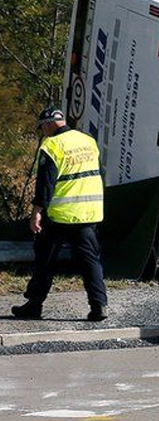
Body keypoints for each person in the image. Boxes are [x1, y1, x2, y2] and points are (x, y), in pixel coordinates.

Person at [11, 108, 107, 322]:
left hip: (60, 215)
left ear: (48, 124)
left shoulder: (52, 146)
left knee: (45, 261)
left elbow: (45, 184)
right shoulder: (87, 140)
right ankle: (99, 306)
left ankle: (34, 306)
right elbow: (100, 173)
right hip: (88, 213)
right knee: (90, 261)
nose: (43, 132)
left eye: (42, 127)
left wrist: (37, 211)